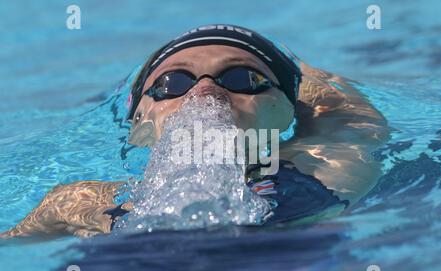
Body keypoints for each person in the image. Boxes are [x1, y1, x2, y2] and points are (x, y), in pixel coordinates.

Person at [1, 24, 389, 238]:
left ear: (290, 111)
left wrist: (296, 69)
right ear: (137, 125)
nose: (205, 92)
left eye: (242, 77)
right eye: (172, 84)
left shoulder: (327, 160)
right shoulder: (74, 203)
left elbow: (344, 114)